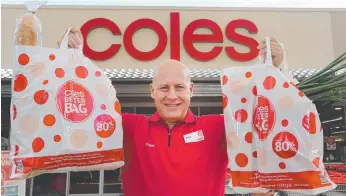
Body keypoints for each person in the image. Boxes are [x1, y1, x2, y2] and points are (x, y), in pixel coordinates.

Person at [58, 27, 284, 196]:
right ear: (152, 90)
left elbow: (264, 117)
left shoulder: (217, 127)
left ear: (191, 90)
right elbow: (80, 114)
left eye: (179, 87)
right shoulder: (130, 127)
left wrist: (275, 69)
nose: (172, 96)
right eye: (164, 88)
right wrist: (68, 60)